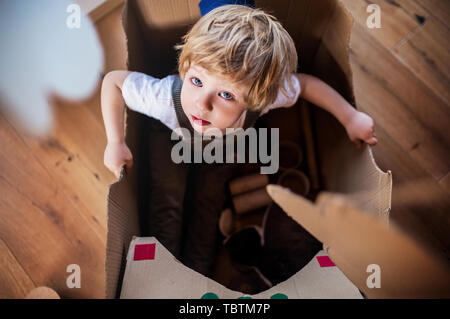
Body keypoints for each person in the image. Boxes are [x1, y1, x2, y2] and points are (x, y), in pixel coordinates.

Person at [100, 4, 377, 277]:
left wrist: (350, 117)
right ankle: (162, 279)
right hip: (172, 141)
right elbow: (113, 82)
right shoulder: (163, 98)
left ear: (257, 100)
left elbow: (304, 85)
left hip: (223, 149)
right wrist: (115, 142)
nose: (202, 104)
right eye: (197, 81)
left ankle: (193, 282)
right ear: (186, 67)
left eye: (227, 95)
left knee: (208, 205)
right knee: (168, 201)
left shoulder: (263, 95)